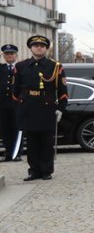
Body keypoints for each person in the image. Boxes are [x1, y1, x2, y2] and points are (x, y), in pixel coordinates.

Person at [12, 35, 67, 181]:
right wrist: (18, 107)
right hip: (28, 107)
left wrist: (61, 108)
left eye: (42, 46)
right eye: (36, 45)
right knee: (31, 142)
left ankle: (46, 170)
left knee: (46, 141)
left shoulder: (55, 66)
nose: (39, 47)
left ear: (46, 48)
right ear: (30, 48)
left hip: (46, 107)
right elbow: (15, 90)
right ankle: (34, 171)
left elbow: (62, 90)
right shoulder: (21, 66)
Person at [0, 44, 20, 161]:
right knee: (5, 129)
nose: (9, 56)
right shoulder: (1, 68)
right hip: (2, 104)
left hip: (16, 104)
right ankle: (8, 153)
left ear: (16, 55)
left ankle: (17, 153)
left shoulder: (21, 68)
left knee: (17, 129)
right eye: (7, 54)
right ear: (3, 56)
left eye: (12, 53)